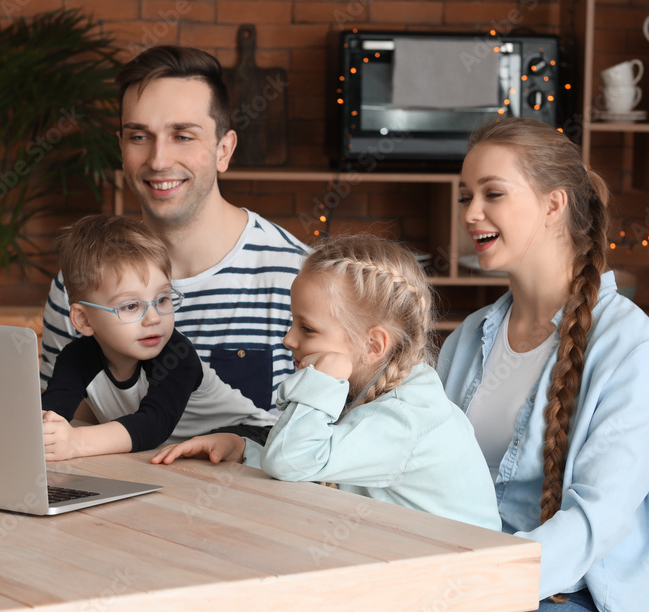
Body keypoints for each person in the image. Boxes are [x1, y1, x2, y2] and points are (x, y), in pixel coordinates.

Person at [293, 118, 649, 612]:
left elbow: (596, 520)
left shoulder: (631, 347)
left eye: (493, 194)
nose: (471, 213)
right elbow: (407, 461)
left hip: (576, 606)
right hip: (461, 582)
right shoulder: (472, 335)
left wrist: (482, 584)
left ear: (553, 205)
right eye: (466, 196)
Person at [154, 234, 501, 530]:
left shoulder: (403, 417)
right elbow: (316, 463)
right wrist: (243, 450)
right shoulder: (377, 390)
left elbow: (290, 461)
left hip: (459, 592)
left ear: (372, 346)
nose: (289, 339)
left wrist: (321, 379)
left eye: (307, 328)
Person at [40, 45, 308, 412]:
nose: (158, 160)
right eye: (139, 137)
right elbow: (57, 429)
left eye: (182, 136)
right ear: (121, 148)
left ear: (223, 150)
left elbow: (325, 448)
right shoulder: (80, 281)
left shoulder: (299, 277)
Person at [41, 214, 276, 460]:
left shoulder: (176, 354)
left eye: (162, 299)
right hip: (174, 458)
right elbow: (54, 409)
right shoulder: (76, 357)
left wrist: (76, 442)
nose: (153, 318)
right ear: (84, 320)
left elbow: (153, 425)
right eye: (131, 306)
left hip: (252, 441)